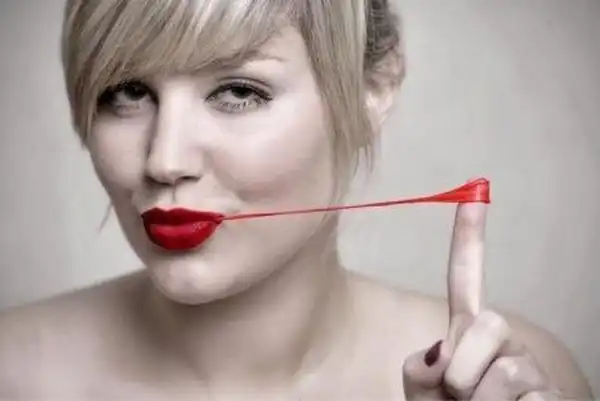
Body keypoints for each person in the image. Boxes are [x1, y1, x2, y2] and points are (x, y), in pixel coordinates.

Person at [0, 0, 593, 399]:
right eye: (127, 91)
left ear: (374, 89)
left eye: (238, 91)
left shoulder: (522, 380)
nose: (165, 160)